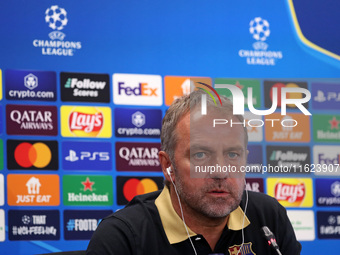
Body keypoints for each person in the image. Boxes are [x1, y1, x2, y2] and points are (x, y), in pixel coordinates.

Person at [86, 90, 301, 255]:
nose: (220, 171)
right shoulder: (122, 238)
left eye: (233, 155)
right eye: (200, 155)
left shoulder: (269, 217)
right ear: (167, 166)